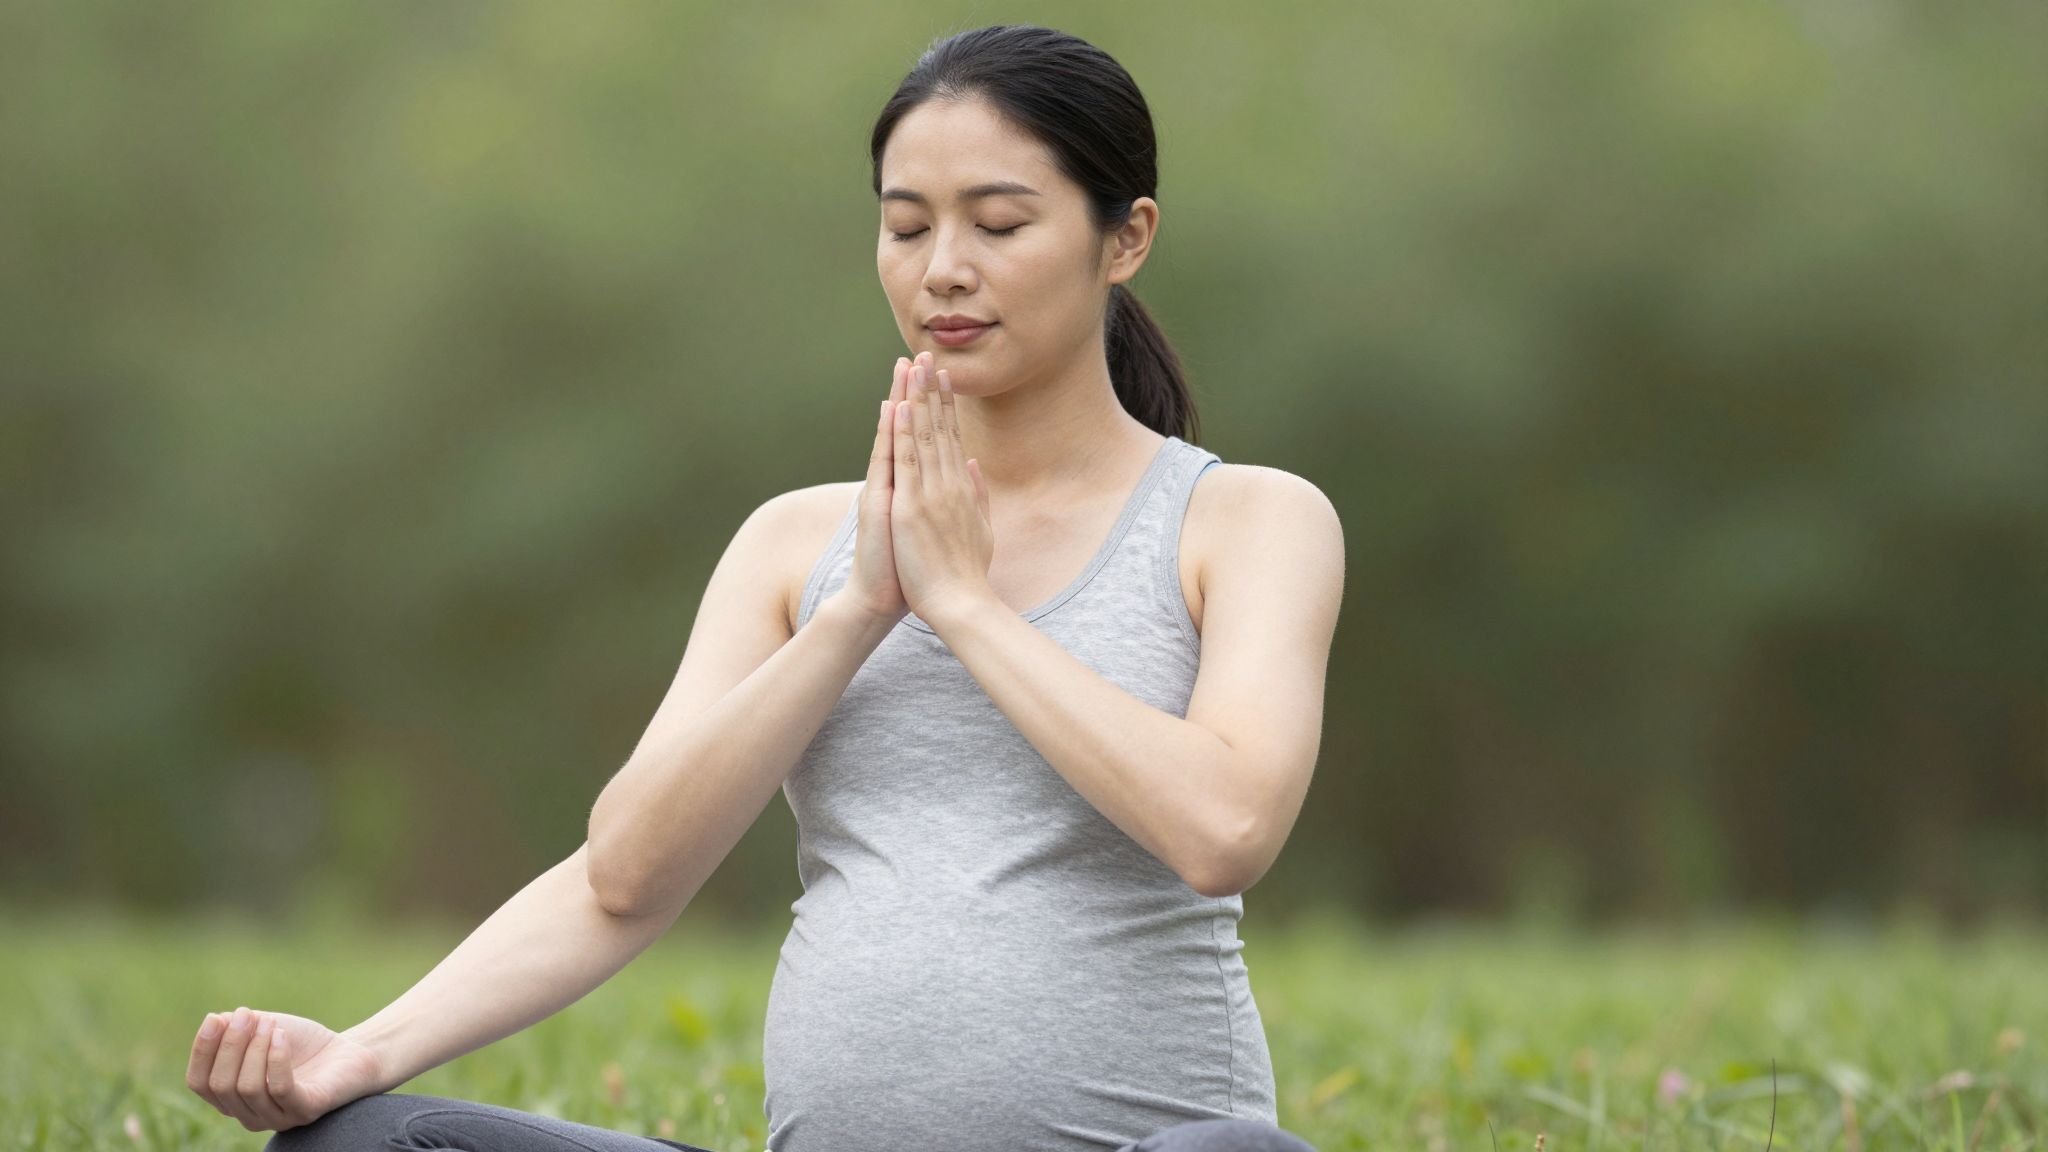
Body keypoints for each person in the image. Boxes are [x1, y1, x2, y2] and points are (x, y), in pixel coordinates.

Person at [185, 23, 1343, 1152]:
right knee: (358, 1142)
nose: (942, 268)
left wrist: (965, 607)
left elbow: (1224, 829)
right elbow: (621, 880)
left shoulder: (1244, 521)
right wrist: (855, 612)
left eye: (998, 223)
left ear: (1123, 237)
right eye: (906, 226)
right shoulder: (794, 546)